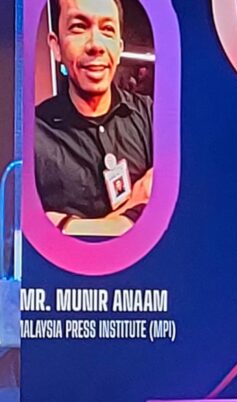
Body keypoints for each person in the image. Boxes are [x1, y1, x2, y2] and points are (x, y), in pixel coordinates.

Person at [35, 0, 153, 237]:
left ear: (119, 48)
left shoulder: (151, 115)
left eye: (107, 30)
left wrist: (71, 226)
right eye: (79, 27)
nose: (96, 45)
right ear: (56, 47)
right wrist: (128, 215)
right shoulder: (31, 136)